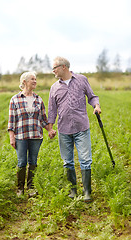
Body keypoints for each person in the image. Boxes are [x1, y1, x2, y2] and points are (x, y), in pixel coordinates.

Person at [48, 56, 101, 202]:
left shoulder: (82, 80)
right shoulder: (54, 88)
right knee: (67, 161)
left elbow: (92, 96)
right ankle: (72, 190)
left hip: (81, 127)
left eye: (55, 68)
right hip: (64, 129)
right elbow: (52, 110)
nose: (53, 71)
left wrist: (96, 106)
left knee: (85, 160)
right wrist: (50, 128)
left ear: (63, 67)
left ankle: (87, 192)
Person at [8, 71, 56, 197]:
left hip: (36, 136)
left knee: (33, 161)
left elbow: (43, 120)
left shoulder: (38, 99)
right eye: (32, 79)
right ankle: (20, 189)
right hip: (21, 136)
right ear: (24, 82)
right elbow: (11, 121)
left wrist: (50, 130)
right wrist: (12, 137)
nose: (35, 81)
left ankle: (31, 188)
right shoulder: (15, 99)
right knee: (21, 162)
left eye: (36, 79)